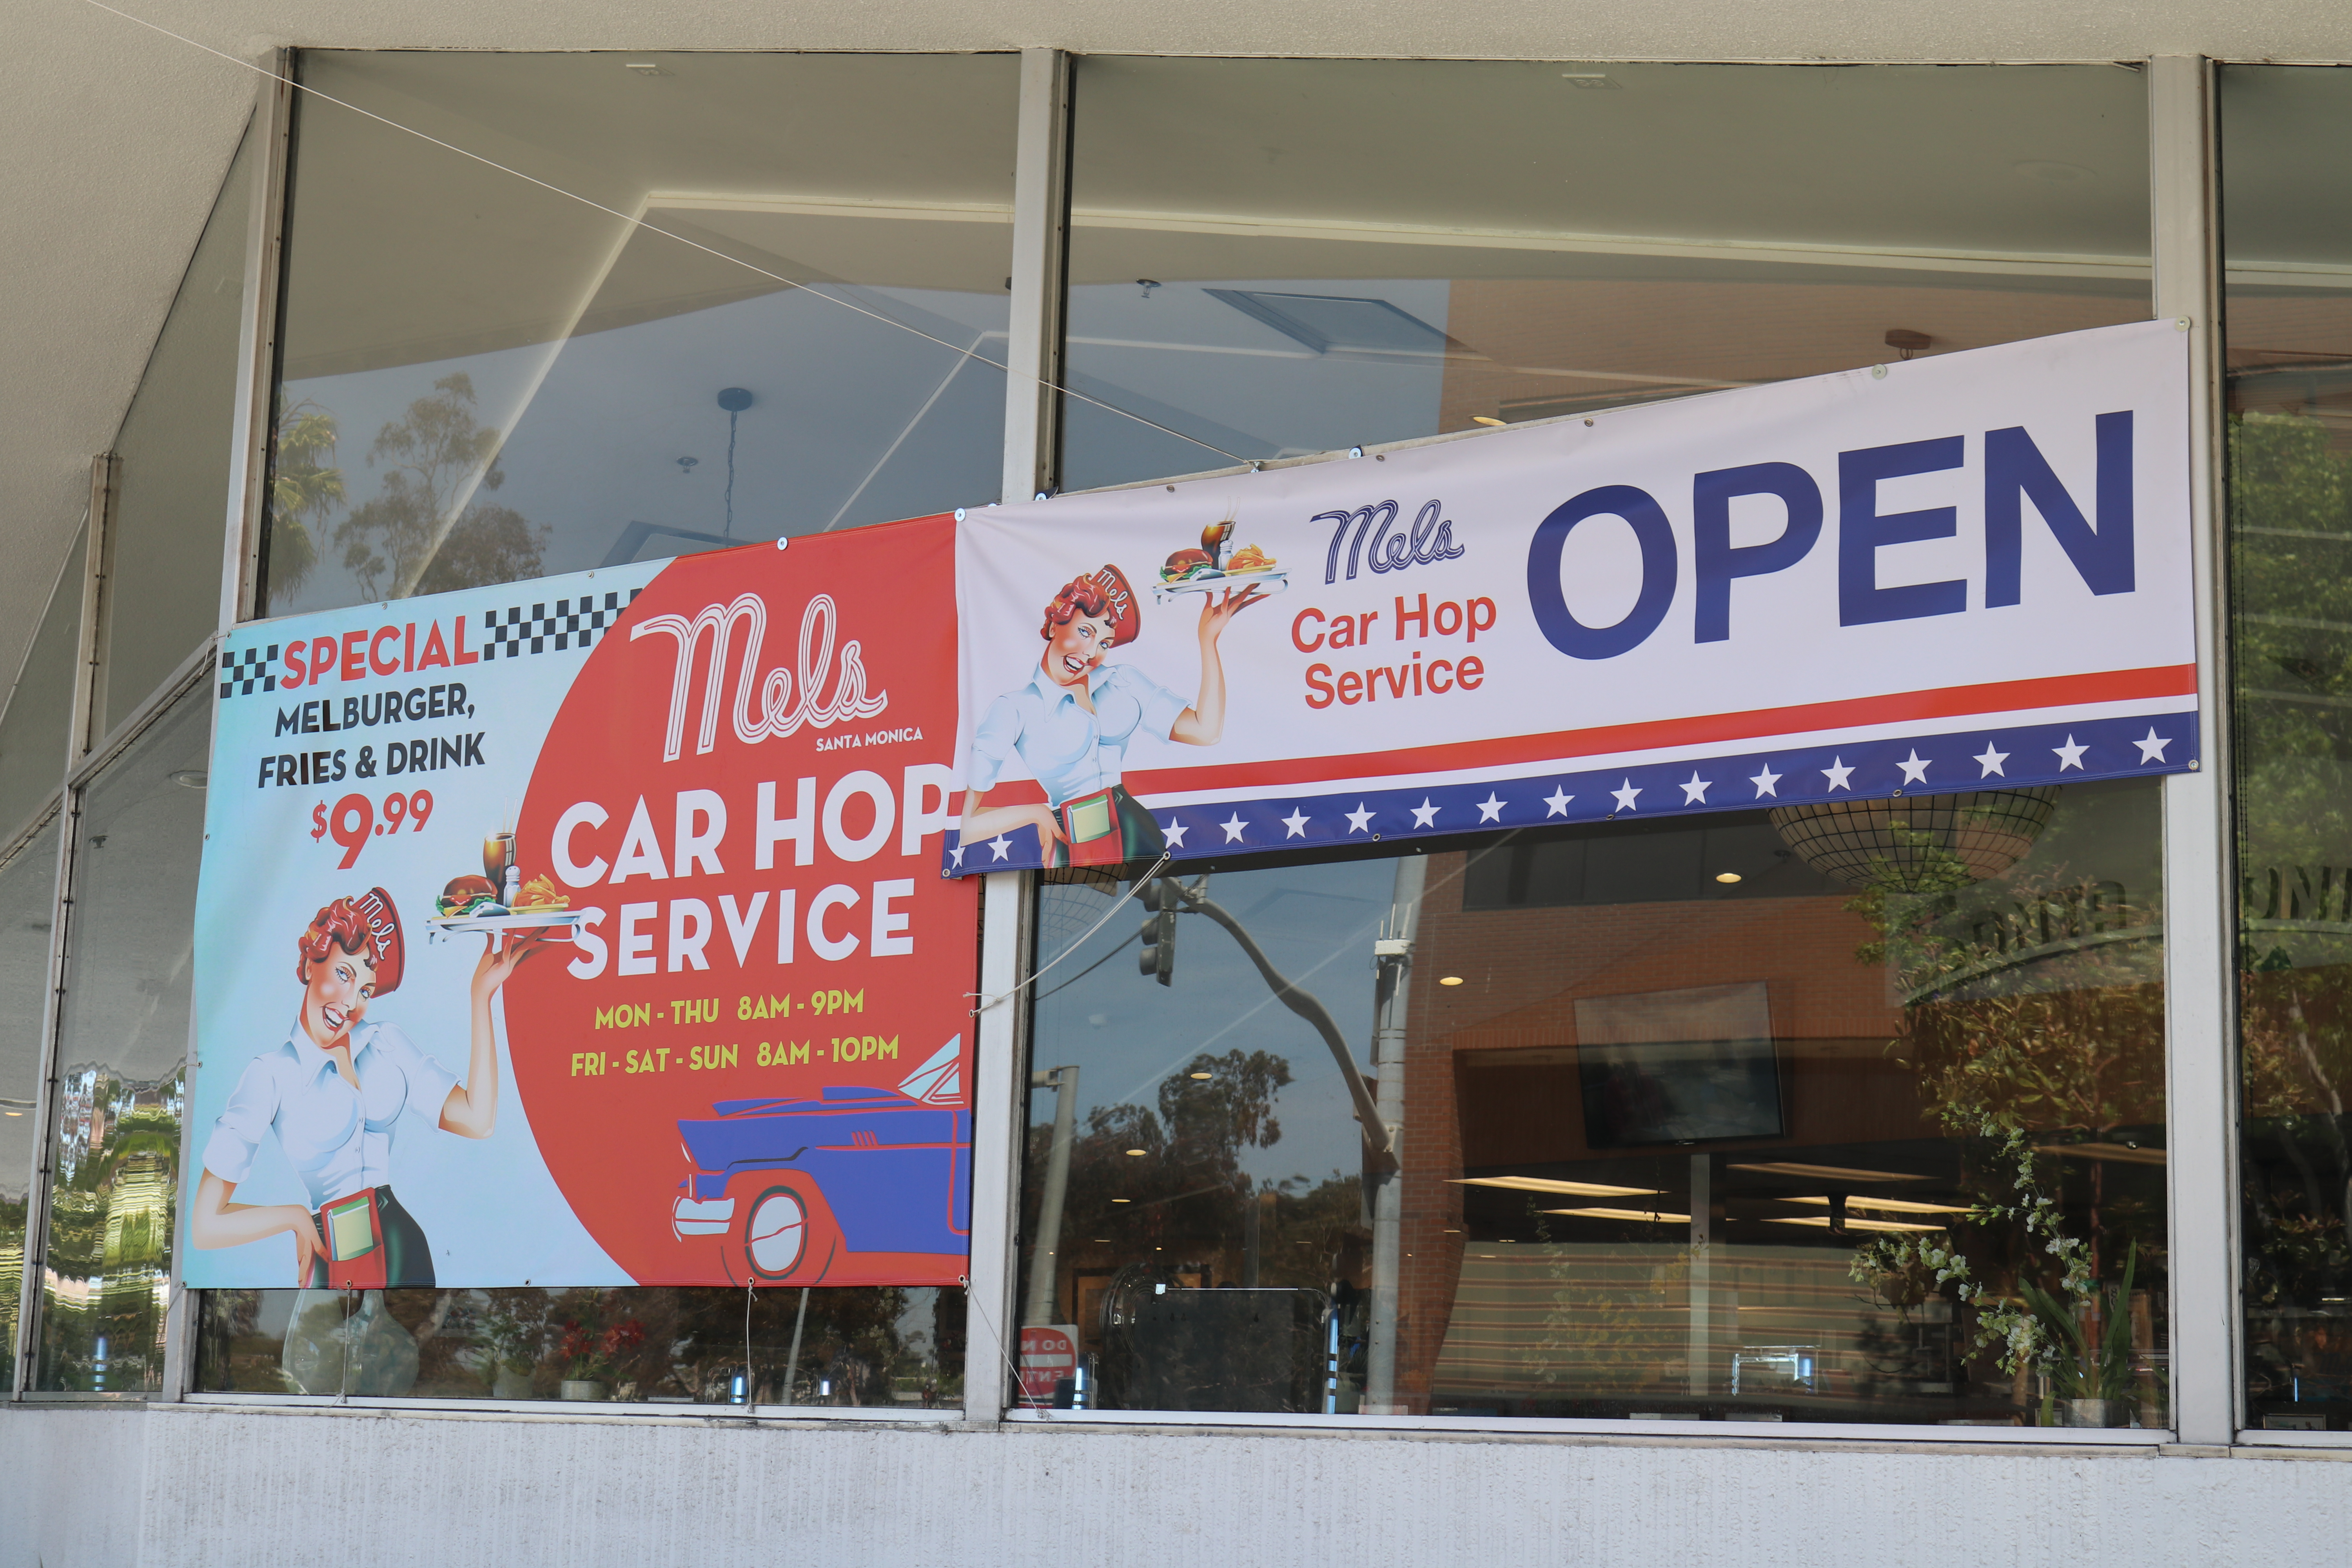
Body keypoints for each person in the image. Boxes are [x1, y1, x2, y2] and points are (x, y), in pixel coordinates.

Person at [189, 887, 544, 1287]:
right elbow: (205, 1226)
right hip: (331, 1255)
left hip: (404, 1250)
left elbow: (478, 1120)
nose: (349, 1003)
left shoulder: (386, 1043)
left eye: (365, 991)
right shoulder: (270, 1075)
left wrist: (482, 996)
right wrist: (293, 1217)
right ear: (310, 963)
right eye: (343, 974)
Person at [961, 563, 1265, 867]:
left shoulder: (1123, 682)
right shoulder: (1013, 709)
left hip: (1137, 831)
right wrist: (1036, 813)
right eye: (1085, 632)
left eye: (1104, 644)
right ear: (1054, 626)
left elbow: (1205, 731)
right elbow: (967, 827)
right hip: (1071, 840)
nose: (1090, 653)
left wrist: (1208, 640)